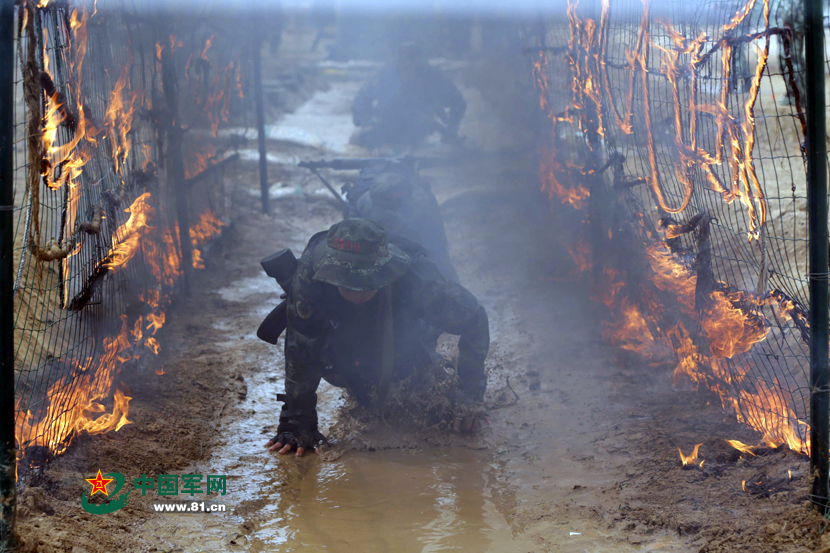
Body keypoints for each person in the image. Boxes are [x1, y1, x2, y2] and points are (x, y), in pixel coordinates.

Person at [265, 219, 489, 457]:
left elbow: (474, 319)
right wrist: (297, 421)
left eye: (364, 281)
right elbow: (301, 344)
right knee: (359, 384)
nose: (356, 290)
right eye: (347, 281)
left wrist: (469, 397)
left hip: (406, 331)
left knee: (418, 391)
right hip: (342, 333)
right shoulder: (312, 272)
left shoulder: (418, 279)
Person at [351, 165, 459, 283]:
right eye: (386, 221)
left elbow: (438, 252)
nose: (390, 224)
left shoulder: (424, 213)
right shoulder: (362, 213)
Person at [350, 43, 466, 150]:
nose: (407, 66)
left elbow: (458, 102)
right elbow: (359, 102)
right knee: (357, 139)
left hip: (419, 128)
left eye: (412, 61)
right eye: (404, 61)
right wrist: (367, 124)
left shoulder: (433, 76)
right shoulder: (385, 75)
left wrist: (451, 128)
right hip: (385, 125)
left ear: (419, 61)